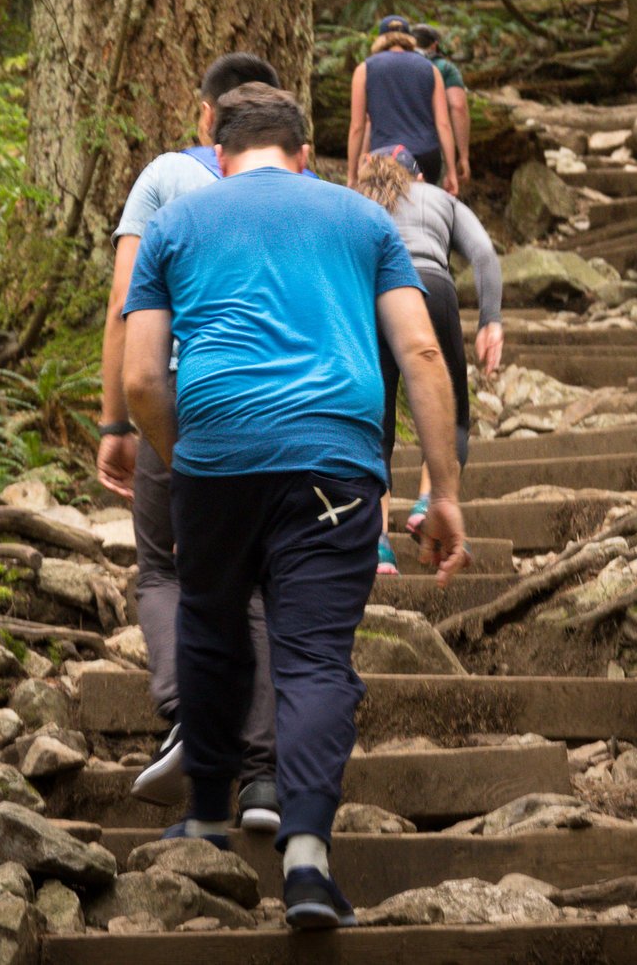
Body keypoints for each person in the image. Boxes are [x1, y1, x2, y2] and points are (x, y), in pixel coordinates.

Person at [122, 84, 467, 931]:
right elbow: (421, 349)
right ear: (306, 154)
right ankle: (308, 858)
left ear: (219, 151)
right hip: (334, 464)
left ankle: (207, 816)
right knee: (314, 659)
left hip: (214, 454)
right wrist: (444, 489)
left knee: (209, 626)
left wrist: (184, 453)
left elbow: (138, 380)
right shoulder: (362, 221)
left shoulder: (174, 223)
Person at [96, 52, 282, 829]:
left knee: (166, 570)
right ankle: (268, 777)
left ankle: (185, 716)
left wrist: (115, 422)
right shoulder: (303, 191)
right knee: (261, 588)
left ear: (204, 116)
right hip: (282, 408)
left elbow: (124, 305)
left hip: (183, 395)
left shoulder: (165, 179)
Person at [356, 146, 503, 574]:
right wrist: (491, 320)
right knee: (452, 410)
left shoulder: (356, 201)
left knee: (375, 423)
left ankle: (378, 543)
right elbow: (485, 256)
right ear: (419, 179)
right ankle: (427, 498)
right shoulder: (441, 200)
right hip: (433, 289)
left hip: (375, 296)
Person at [347, 16, 458, 193]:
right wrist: (451, 171)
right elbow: (443, 124)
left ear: (381, 39)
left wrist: (352, 174)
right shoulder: (431, 69)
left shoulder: (364, 70)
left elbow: (357, 127)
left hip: (384, 159)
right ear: (409, 39)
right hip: (426, 156)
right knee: (424, 210)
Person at [411, 22, 471, 185]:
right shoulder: (444, 68)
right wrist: (463, 156)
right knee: (433, 202)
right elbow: (458, 107)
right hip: (431, 147)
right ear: (435, 45)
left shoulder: (391, 65)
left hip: (392, 147)